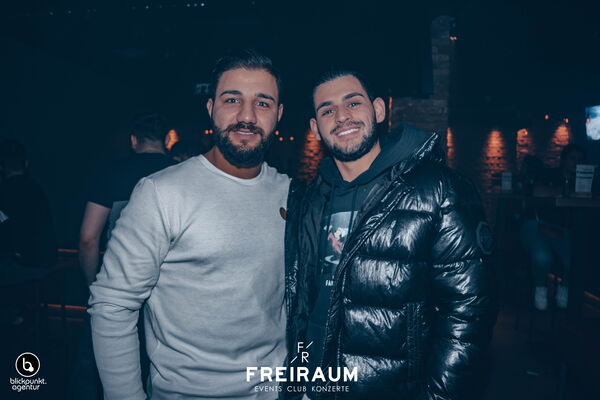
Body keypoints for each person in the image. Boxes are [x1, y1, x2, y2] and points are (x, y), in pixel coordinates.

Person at [284, 70, 497, 399]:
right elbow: (302, 304)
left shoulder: (439, 190)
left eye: (353, 103)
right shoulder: (311, 199)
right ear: (315, 127)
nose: (341, 116)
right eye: (327, 110)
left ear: (379, 110)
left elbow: (468, 316)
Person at [89, 49, 289, 399]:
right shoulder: (161, 193)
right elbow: (112, 305)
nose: (247, 116)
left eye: (262, 103)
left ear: (278, 114)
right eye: (232, 100)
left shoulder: (290, 193)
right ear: (211, 108)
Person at [68, 113, 175, 400]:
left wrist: (93, 287)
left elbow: (88, 238)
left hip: (118, 285)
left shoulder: (110, 172)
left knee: (99, 365)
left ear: (133, 140)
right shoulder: (181, 174)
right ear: (166, 140)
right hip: (169, 293)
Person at [519, 144, 586, 311]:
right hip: (537, 225)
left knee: (576, 257)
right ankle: (541, 288)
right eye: (572, 158)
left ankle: (564, 288)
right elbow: (537, 191)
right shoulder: (549, 174)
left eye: (580, 160)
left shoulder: (585, 181)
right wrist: (565, 191)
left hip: (562, 230)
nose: (576, 163)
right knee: (542, 256)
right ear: (563, 160)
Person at [0, 139, 56, 268]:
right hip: (44, 262)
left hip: (20, 265)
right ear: (26, 163)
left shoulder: (4, 193)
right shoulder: (37, 189)